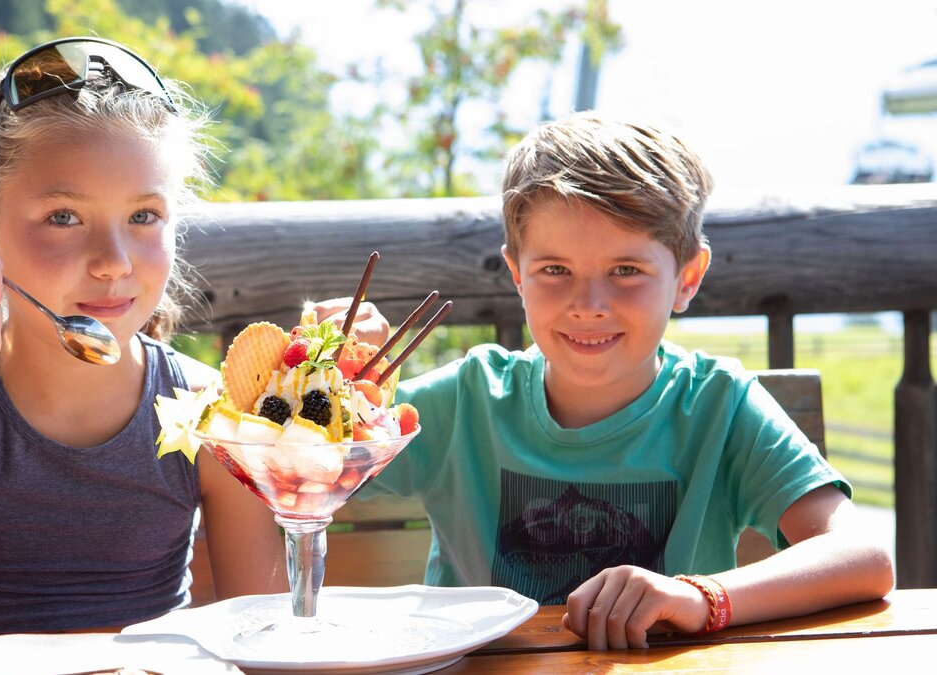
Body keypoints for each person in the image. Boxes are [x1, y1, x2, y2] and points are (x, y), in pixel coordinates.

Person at [326, 114, 894, 650]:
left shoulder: (721, 406)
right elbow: (260, 469)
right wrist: (327, 383)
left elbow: (862, 554)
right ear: (517, 275)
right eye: (555, 270)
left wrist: (703, 596)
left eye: (626, 271)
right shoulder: (464, 403)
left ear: (686, 278)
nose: (589, 305)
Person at [0, 36, 285, 643]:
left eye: (143, 216)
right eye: (63, 218)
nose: (112, 262)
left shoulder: (214, 410)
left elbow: (267, 636)